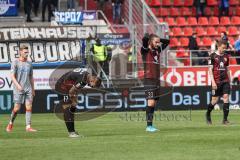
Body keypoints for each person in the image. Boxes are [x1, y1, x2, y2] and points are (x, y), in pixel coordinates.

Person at [55, 68, 101, 137]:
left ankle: (72, 131)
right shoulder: (82, 80)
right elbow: (71, 91)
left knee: (72, 107)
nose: (90, 86)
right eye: (92, 85)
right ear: (92, 80)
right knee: (68, 109)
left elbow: (75, 88)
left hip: (65, 85)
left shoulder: (86, 76)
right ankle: (71, 133)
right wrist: (74, 99)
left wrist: (75, 98)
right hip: (62, 87)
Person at [141, 33, 169, 132]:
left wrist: (157, 39)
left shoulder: (157, 50)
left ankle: (150, 125)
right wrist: (150, 38)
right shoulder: (145, 50)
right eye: (156, 42)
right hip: (149, 79)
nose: (158, 44)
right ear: (150, 42)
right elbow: (144, 39)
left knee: (154, 103)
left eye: (158, 42)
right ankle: (148, 126)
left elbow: (167, 42)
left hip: (156, 80)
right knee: (151, 102)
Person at [6, 45, 36, 132]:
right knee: (16, 108)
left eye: (27, 52)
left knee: (29, 107)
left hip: (28, 88)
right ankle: (10, 123)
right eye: (25, 52)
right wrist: (18, 85)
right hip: (18, 89)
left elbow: (31, 77)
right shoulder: (15, 62)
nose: (27, 54)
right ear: (20, 52)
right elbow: (12, 76)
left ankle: (28, 126)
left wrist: (33, 89)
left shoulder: (29, 64)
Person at [206, 40, 231, 125]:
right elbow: (210, 69)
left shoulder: (227, 56)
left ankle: (225, 120)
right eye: (223, 48)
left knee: (226, 97)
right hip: (216, 81)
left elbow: (227, 69)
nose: (224, 49)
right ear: (219, 46)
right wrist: (213, 82)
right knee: (214, 100)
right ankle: (208, 114)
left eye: (225, 48)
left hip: (225, 81)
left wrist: (230, 81)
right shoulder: (212, 56)